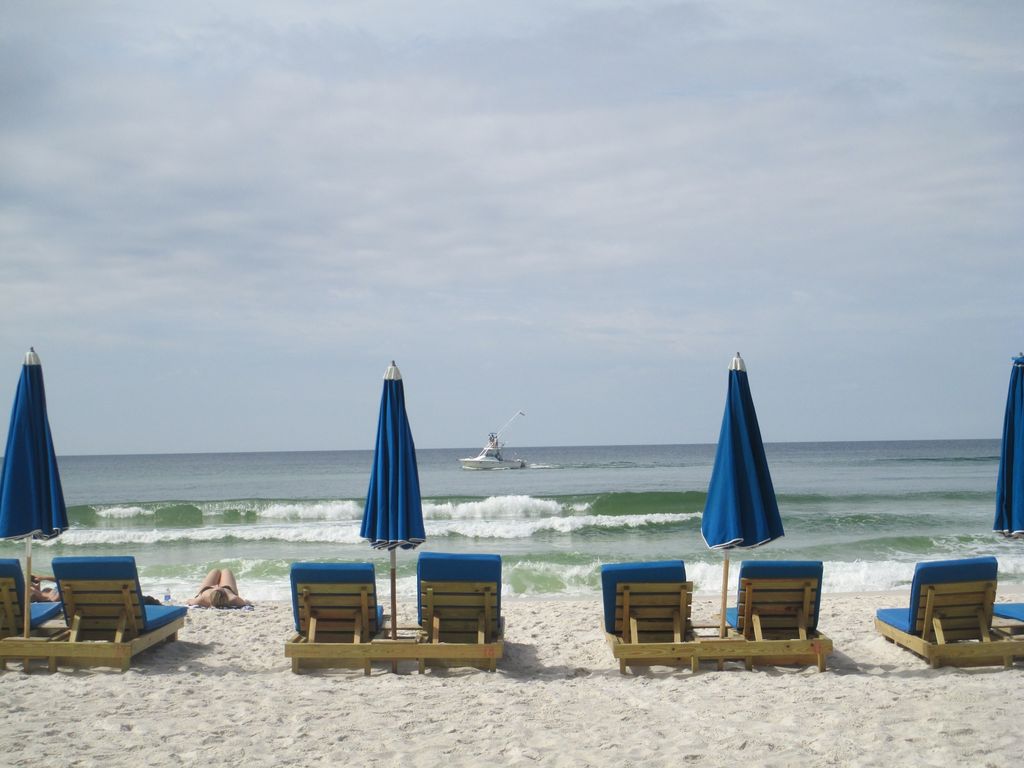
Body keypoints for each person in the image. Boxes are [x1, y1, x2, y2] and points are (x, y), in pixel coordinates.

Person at [187, 568, 252, 608]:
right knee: (226, 570)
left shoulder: (201, 600)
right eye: (220, 588)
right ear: (225, 595)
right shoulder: (233, 598)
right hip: (227, 588)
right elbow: (246, 602)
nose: (217, 585)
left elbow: (188, 601)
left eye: (215, 587)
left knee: (215, 570)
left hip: (206, 589)